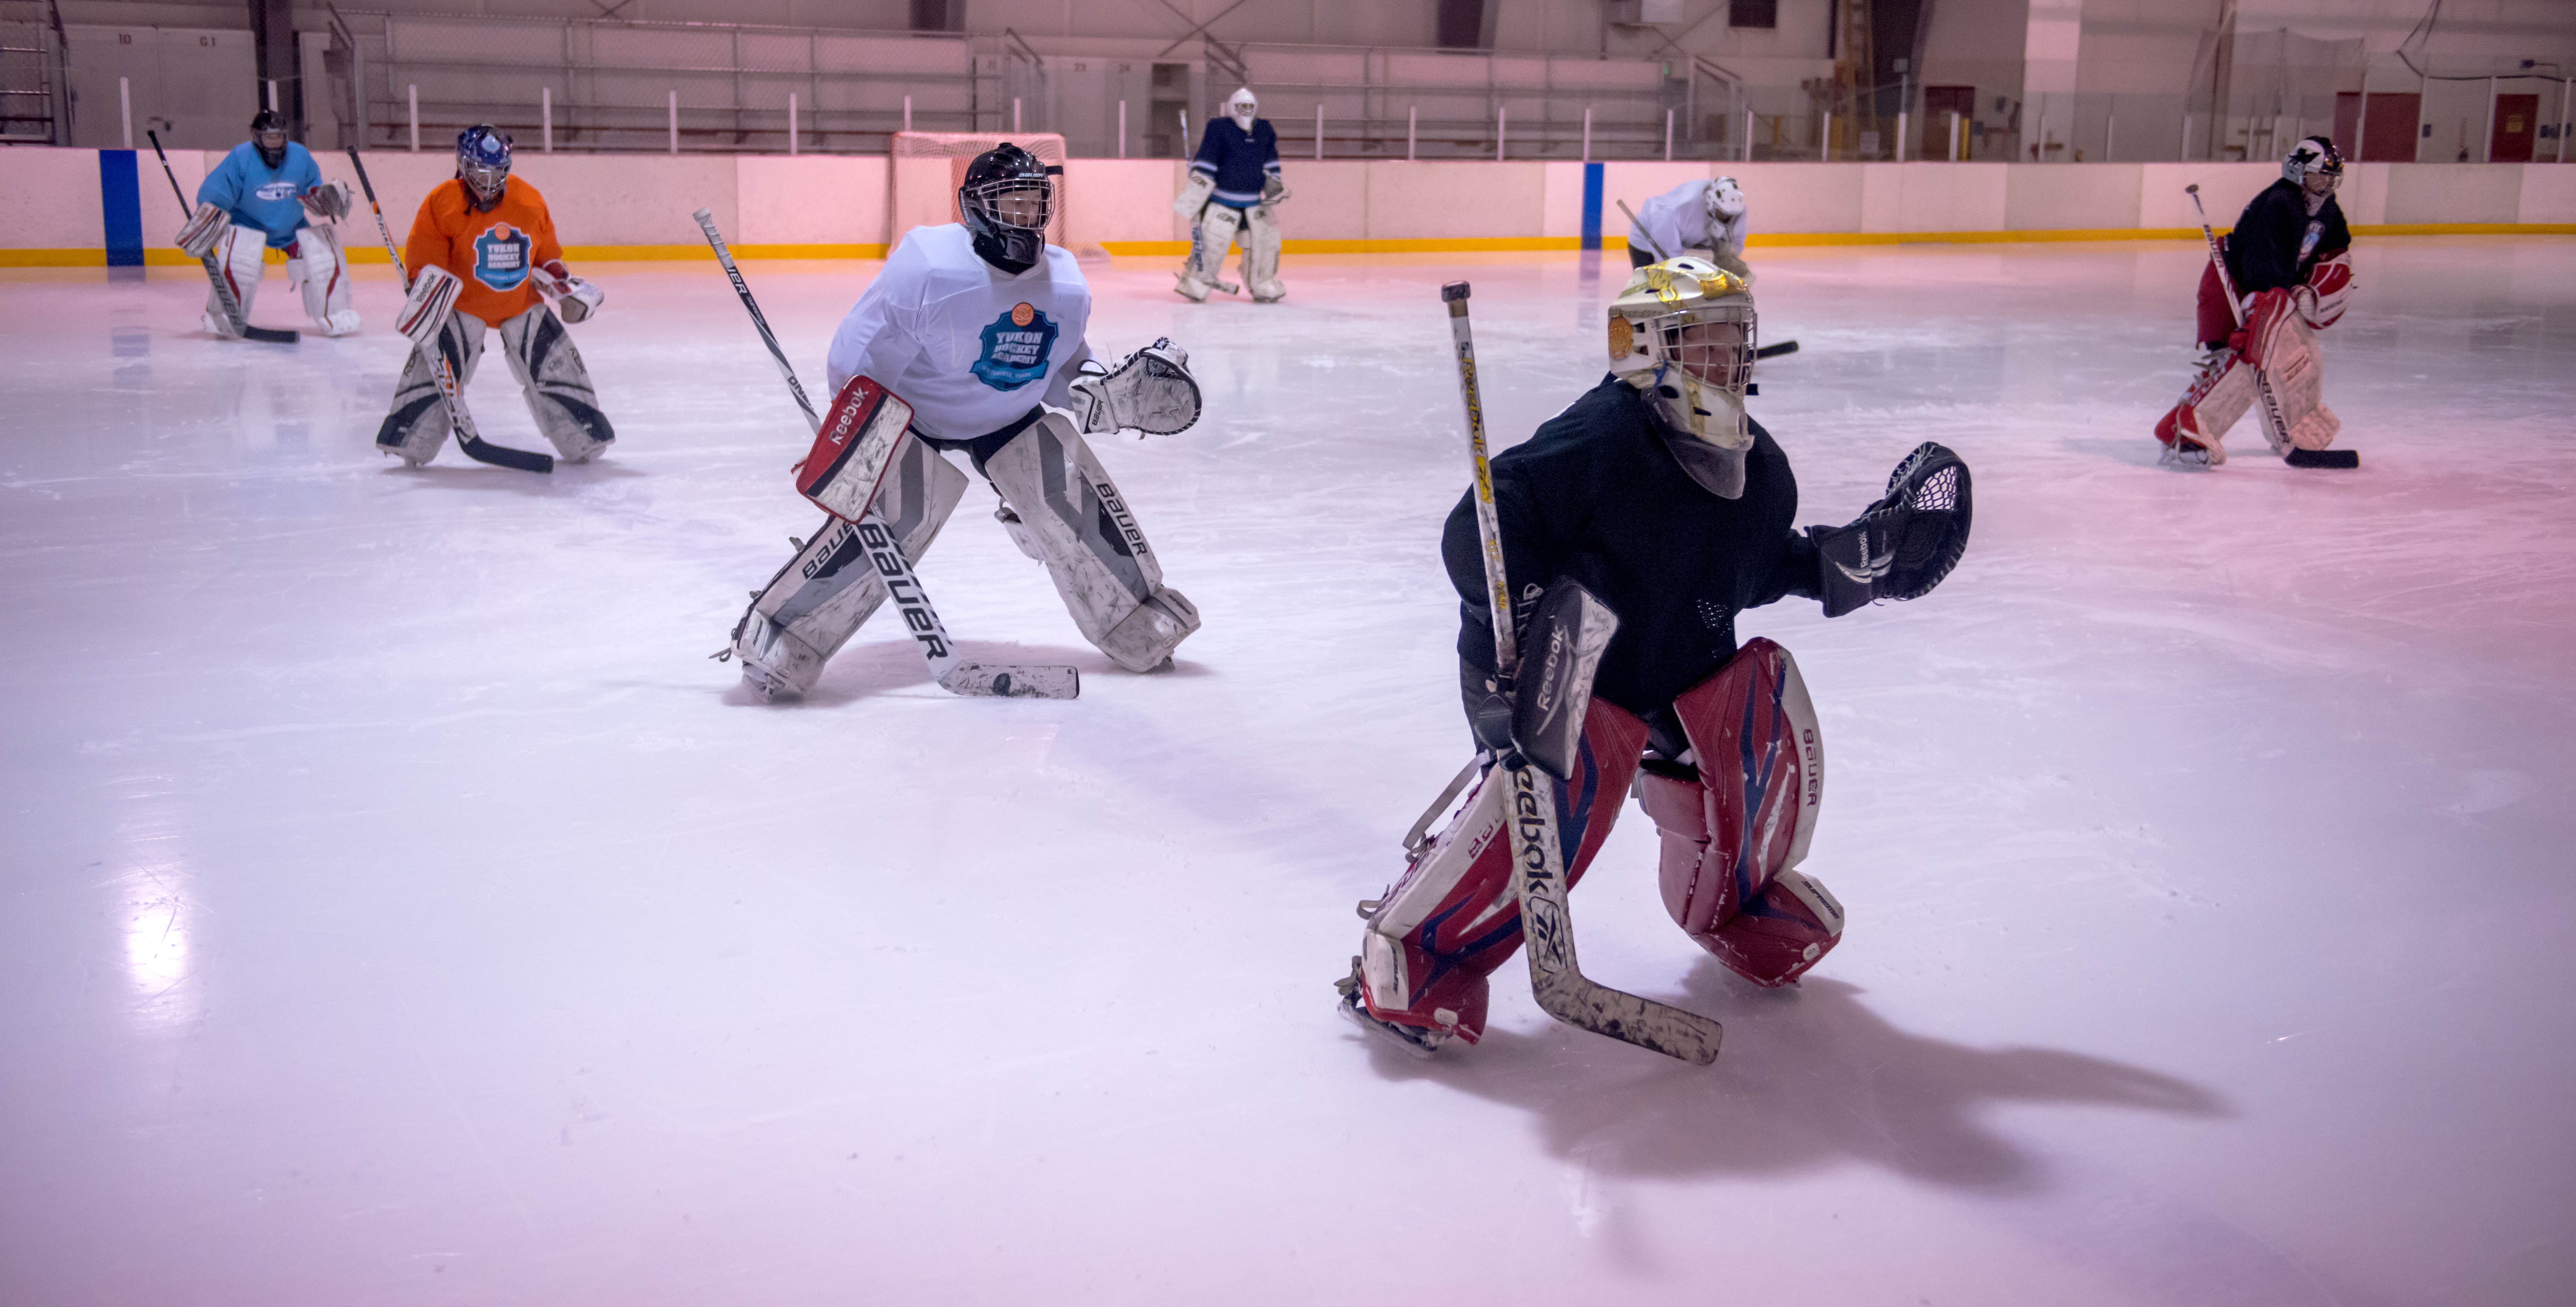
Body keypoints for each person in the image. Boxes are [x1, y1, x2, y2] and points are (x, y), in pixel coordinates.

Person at [1337, 257, 1973, 1056]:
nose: (1729, 362)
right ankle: (1416, 949)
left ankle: (1733, 903)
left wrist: (1841, 564)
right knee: (1552, 787)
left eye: (1734, 341)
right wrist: (1510, 643)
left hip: (1680, 662)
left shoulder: (1762, 472)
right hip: (1577, 676)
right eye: (1702, 342)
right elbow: (1482, 529)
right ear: (1638, 348)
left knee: (1756, 719)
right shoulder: (1601, 445)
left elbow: (1740, 562)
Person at [724, 142, 1205, 698]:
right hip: (917, 416)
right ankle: (783, 638)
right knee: (891, 525)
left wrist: (1095, 388)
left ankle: (1135, 619)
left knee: (1070, 498)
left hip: (1009, 414)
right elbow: (861, 353)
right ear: (975, 207)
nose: (1025, 218)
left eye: (1033, 205)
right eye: (1012, 205)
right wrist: (849, 433)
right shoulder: (931, 267)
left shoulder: (1066, 281)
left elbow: (1057, 365)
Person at [375, 125, 613, 467]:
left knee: (555, 362)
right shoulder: (442, 202)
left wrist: (563, 283)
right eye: (480, 171)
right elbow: (427, 264)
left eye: (498, 172)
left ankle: (584, 434)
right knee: (439, 361)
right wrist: (421, 289)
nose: (489, 182)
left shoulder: (529, 200)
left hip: (521, 303)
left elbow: (547, 257)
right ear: (462, 164)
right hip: (463, 306)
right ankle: (410, 436)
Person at [2155, 136, 2355, 466]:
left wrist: (2318, 288)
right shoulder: (2281, 202)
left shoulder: (2328, 209)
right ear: (2297, 171)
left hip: (2271, 294)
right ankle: (2188, 430)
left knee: (2298, 351)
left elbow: (2336, 250)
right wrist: (2272, 309)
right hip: (2230, 287)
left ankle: (2298, 422)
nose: (2326, 186)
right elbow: (2263, 271)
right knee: (2246, 360)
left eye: (2331, 179)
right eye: (2320, 177)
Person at [178, 110, 358, 337]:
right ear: (256, 137)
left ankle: (336, 314)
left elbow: (313, 193)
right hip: (248, 224)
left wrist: (328, 198)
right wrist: (206, 222)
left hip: (292, 227)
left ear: (286, 136)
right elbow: (214, 194)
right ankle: (225, 316)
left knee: (323, 252)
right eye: (268, 137)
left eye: (279, 137)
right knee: (239, 257)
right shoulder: (241, 157)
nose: (274, 143)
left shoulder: (301, 156)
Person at [1174, 87, 1286, 302]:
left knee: (1265, 247)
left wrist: (1275, 183)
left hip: (1255, 205)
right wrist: (1198, 184)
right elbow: (1208, 157)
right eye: (1242, 106)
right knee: (1211, 246)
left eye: (1250, 106)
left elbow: (1271, 159)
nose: (1246, 110)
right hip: (1221, 201)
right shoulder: (1219, 128)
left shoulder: (1264, 130)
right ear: (1232, 108)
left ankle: (1263, 284)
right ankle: (1195, 284)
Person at [1627, 175, 1751, 283]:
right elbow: (1668, 256)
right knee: (1656, 287)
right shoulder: (1680, 208)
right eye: (1721, 214)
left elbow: (1736, 245)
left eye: (1729, 217)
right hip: (1649, 237)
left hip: (1689, 239)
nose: (1726, 219)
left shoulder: (1736, 209)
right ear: (1711, 203)